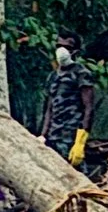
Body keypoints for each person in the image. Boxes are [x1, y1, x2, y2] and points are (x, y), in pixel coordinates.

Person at [40, 32, 97, 165]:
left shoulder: (81, 73)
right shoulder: (53, 76)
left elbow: (89, 108)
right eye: (59, 46)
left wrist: (80, 141)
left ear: (75, 51)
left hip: (70, 136)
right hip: (53, 136)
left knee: (74, 174)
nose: (61, 50)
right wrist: (43, 135)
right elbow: (49, 108)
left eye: (66, 47)